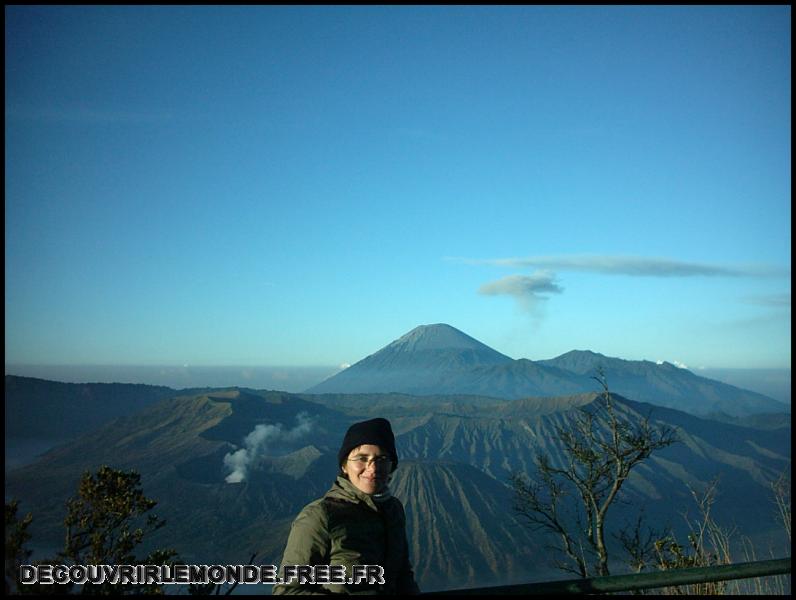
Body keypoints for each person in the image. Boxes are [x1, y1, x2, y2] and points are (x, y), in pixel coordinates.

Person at [273, 417, 420, 595]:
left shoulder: (393, 509)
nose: (372, 468)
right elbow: (287, 591)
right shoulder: (320, 516)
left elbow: (403, 574)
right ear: (344, 465)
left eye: (381, 459)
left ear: (391, 466)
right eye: (361, 458)